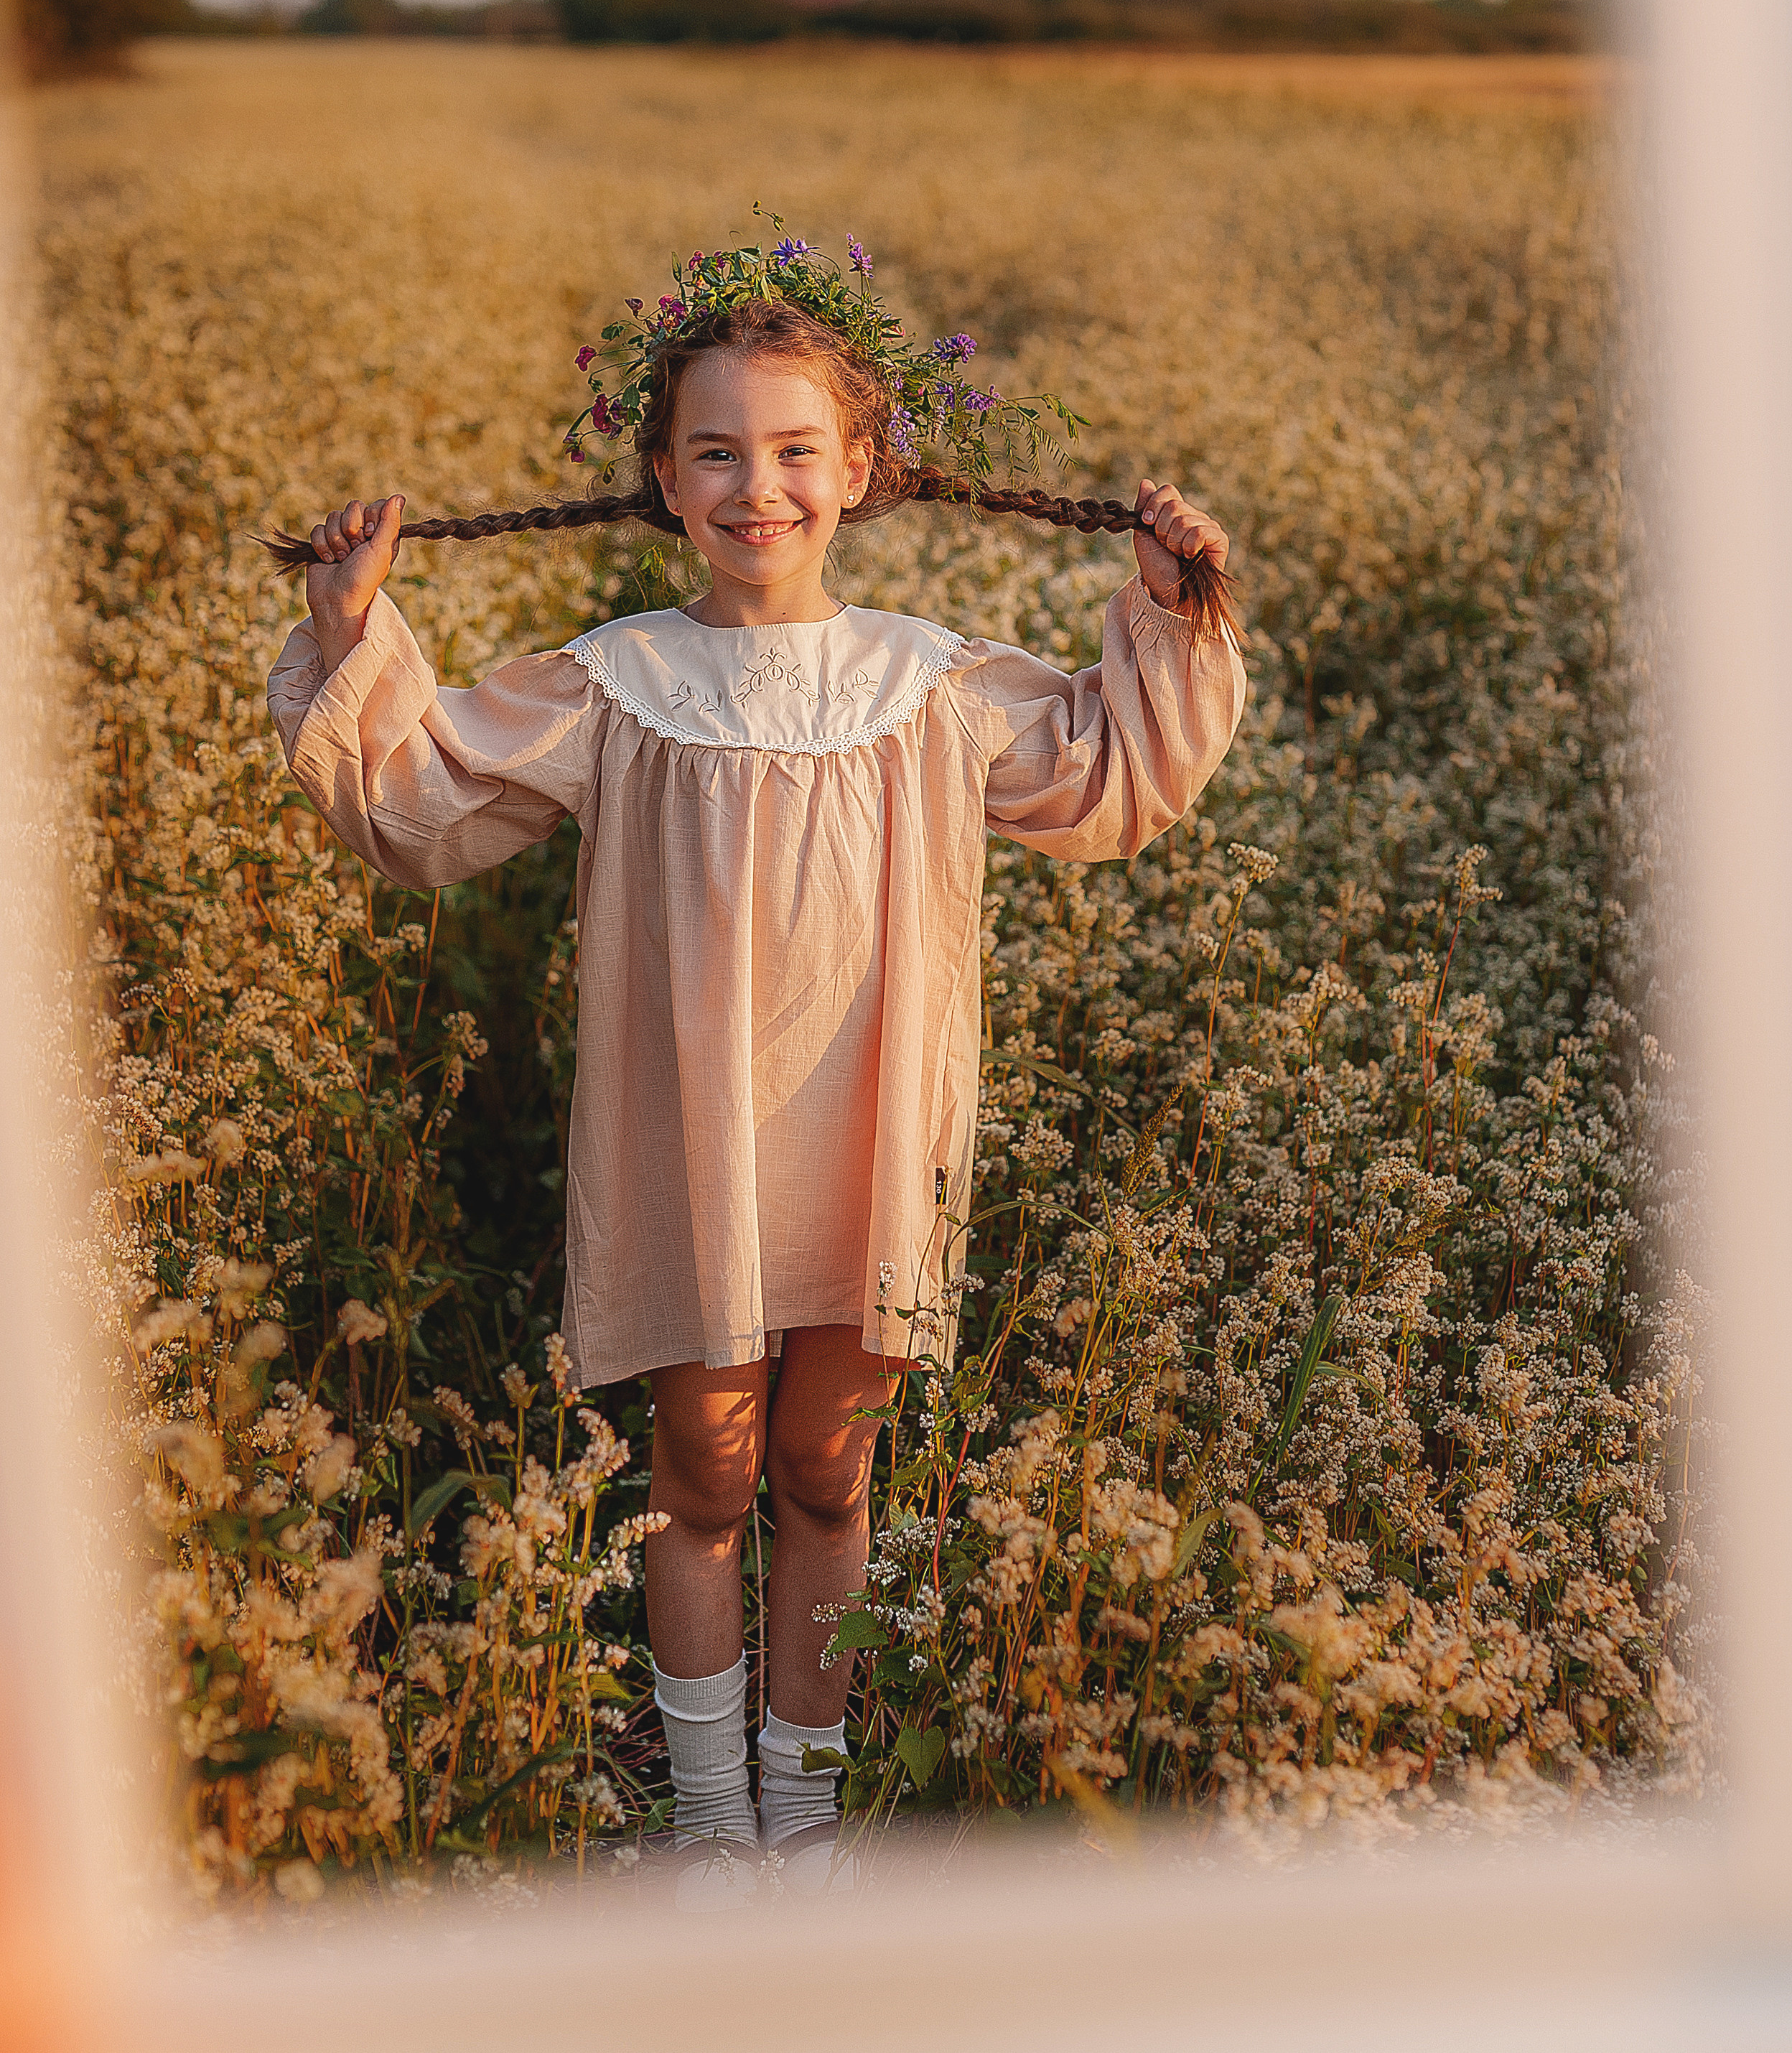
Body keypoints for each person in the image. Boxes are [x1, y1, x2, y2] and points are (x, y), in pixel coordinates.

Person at [266, 242, 1245, 1907]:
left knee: (828, 1469)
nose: (757, 486)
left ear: (862, 470)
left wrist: (1169, 604)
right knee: (707, 1471)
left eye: (796, 452)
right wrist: (352, 627)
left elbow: (1109, 770)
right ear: (662, 478)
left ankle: (805, 1800)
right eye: (715, 453)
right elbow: (421, 795)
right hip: (691, 1146)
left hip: (868, 1136)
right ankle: (710, 1817)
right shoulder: (619, 678)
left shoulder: (926, 680)